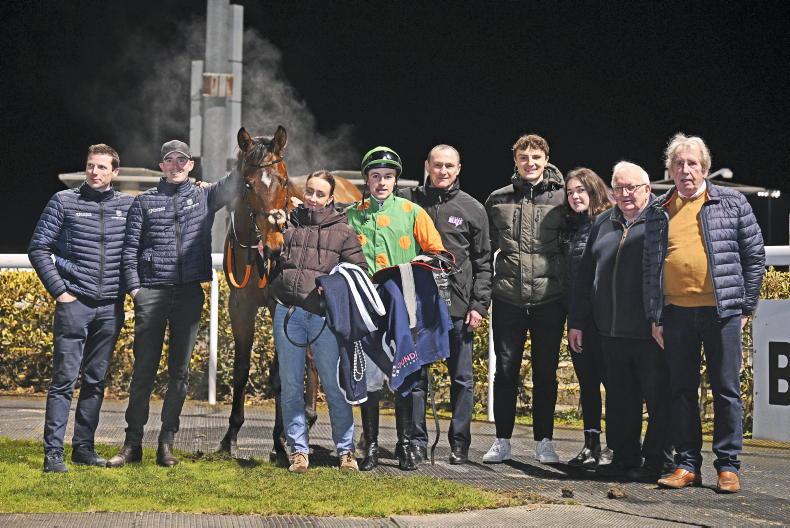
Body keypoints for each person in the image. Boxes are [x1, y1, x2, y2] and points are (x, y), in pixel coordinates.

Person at [644, 134, 765, 493]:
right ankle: (687, 465)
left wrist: (745, 307)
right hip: (676, 314)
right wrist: (655, 316)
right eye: (678, 164)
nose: (685, 170)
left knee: (726, 390)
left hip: (721, 313)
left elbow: (754, 256)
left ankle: (727, 467)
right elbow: (650, 266)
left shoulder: (732, 202)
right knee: (682, 390)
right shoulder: (659, 209)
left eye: (692, 163)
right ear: (670, 170)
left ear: (705, 168)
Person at [107, 140, 239, 468]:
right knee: (143, 371)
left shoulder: (205, 195)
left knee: (179, 373)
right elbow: (129, 251)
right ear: (162, 166)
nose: (176, 165)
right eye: (170, 160)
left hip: (189, 293)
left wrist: (249, 151)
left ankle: (166, 443)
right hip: (151, 293)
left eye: (182, 160)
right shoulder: (144, 202)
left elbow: (239, 178)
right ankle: (132, 444)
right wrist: (136, 290)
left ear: (191, 165)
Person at [28, 144, 133, 473]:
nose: (94, 172)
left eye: (102, 167)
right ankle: (53, 454)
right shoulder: (63, 201)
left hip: (110, 307)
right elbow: (38, 248)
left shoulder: (127, 206)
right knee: (63, 381)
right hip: (74, 304)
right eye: (90, 165)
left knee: (95, 381)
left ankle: (83, 449)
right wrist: (60, 292)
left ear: (115, 172)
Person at [568, 162, 674, 482]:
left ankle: (658, 461)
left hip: (651, 330)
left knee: (659, 400)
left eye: (632, 188)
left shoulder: (662, 220)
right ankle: (624, 458)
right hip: (610, 331)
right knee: (619, 401)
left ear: (648, 189)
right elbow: (585, 276)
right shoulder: (603, 222)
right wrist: (577, 321)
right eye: (619, 188)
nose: (625, 194)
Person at [346, 146, 445, 471]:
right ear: (367, 179)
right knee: (370, 378)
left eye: (388, 176)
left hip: (402, 308)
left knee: (404, 375)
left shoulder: (412, 212)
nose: (381, 182)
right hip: (365, 307)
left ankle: (405, 445)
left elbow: (437, 252)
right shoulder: (351, 215)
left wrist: (418, 266)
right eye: (375, 176)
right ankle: (371, 447)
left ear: (395, 180)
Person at [398, 144, 491, 465]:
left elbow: (483, 263)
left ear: (458, 169)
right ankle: (417, 442)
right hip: (417, 307)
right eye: (437, 165)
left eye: (449, 166)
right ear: (427, 165)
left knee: (462, 379)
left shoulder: (473, 209)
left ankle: (459, 444)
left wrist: (478, 305)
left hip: (458, 309)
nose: (443, 171)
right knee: (416, 379)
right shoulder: (407, 202)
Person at [269, 170, 366, 473]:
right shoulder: (288, 224)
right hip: (288, 314)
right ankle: (299, 450)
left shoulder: (344, 231)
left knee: (335, 387)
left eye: (319, 194)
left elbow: (359, 272)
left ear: (331, 198)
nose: (312, 198)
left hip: (324, 319)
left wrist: (334, 285)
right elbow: (271, 258)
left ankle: (346, 451)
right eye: (309, 191)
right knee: (290, 386)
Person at [483, 134, 566, 465]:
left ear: (546, 159)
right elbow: (485, 250)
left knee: (546, 373)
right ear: (515, 160)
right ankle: (502, 440)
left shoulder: (563, 198)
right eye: (523, 157)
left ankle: (544, 442)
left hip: (549, 299)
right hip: (508, 298)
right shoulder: (497, 199)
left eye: (535, 157)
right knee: (505, 372)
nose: (530, 162)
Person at [559, 168, 613, 468]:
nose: (575, 196)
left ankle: (616, 446)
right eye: (570, 192)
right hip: (579, 321)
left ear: (594, 190)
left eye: (581, 190)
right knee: (588, 385)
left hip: (605, 323)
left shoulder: (609, 223)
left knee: (614, 386)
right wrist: (574, 322)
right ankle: (591, 445)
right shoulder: (571, 228)